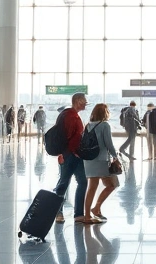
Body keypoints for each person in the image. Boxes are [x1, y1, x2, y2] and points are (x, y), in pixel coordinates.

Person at [54, 93, 90, 223]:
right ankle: (59, 212)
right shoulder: (70, 116)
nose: (86, 103)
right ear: (78, 101)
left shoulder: (71, 115)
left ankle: (79, 214)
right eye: (85, 101)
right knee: (64, 183)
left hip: (75, 155)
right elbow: (65, 137)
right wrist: (64, 154)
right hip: (70, 155)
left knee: (81, 182)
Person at [82, 103, 120, 223]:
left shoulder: (88, 125)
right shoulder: (104, 125)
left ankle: (93, 210)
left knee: (97, 186)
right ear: (105, 113)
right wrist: (115, 156)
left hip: (89, 159)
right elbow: (109, 144)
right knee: (109, 184)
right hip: (101, 160)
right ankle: (91, 212)